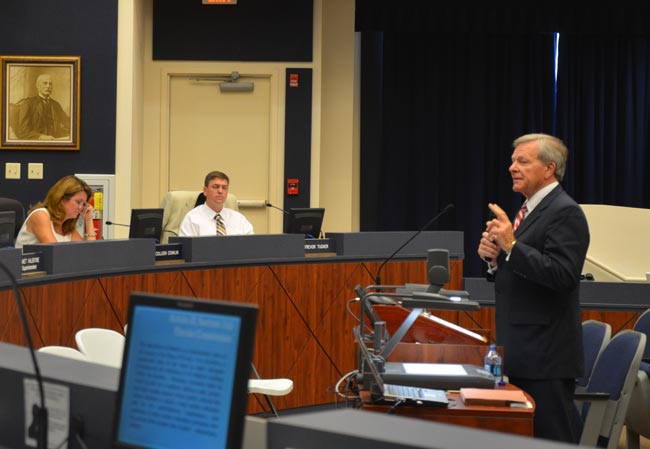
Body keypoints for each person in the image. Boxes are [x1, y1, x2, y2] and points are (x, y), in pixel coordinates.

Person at [477, 133, 590, 443]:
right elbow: (522, 272)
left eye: (522, 161)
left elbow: (563, 276)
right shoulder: (530, 209)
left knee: (551, 439)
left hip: (546, 355)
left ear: (549, 168)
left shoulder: (565, 211)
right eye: (513, 161)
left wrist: (511, 245)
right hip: (523, 348)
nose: (512, 167)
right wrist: (494, 259)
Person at [15, 175, 96, 248]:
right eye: (78, 202)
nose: (81, 207)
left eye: (84, 204)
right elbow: (55, 254)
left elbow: (89, 252)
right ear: (62, 198)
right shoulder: (41, 215)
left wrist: (88, 220)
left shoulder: (67, 226)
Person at [179, 170, 254, 236]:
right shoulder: (192, 219)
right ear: (205, 191)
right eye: (215, 187)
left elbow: (252, 245)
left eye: (224, 188)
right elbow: (187, 249)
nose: (220, 191)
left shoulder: (239, 219)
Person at [14, 73, 71, 140]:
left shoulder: (56, 104)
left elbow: (68, 123)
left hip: (55, 141)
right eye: (45, 83)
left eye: (50, 84)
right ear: (37, 86)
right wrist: (41, 137)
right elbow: (23, 131)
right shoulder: (29, 104)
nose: (48, 86)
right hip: (37, 143)